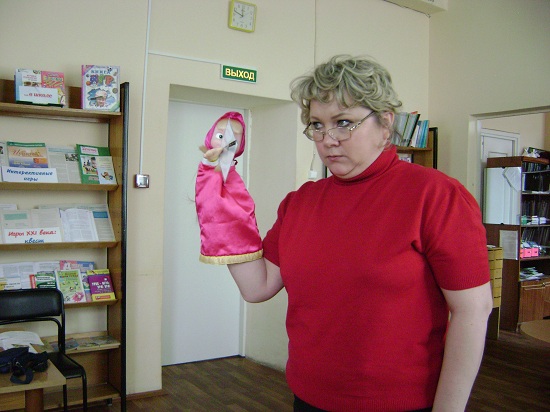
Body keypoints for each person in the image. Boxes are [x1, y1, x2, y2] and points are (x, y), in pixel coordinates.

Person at [210, 55, 493, 411]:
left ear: (385, 122)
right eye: (316, 125)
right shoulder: (300, 202)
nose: (327, 140)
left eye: (343, 123)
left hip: (400, 403)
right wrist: (220, 212)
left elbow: (473, 311)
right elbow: (257, 286)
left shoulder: (436, 196)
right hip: (308, 397)